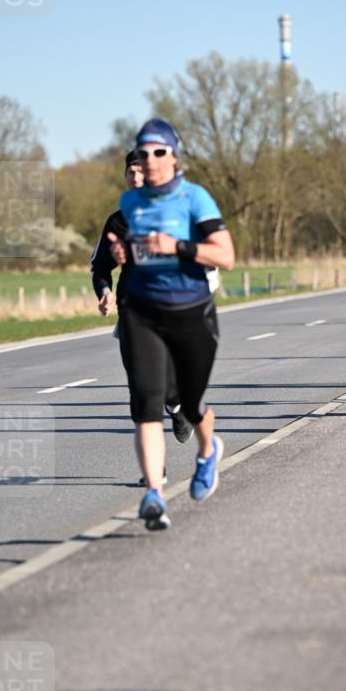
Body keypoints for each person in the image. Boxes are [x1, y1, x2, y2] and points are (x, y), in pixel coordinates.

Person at [105, 118, 235, 529]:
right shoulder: (130, 204)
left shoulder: (195, 198)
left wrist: (177, 246)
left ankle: (207, 450)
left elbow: (225, 256)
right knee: (147, 403)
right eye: (143, 153)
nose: (150, 159)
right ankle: (154, 495)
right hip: (141, 311)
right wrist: (124, 255)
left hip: (190, 310)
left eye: (158, 152)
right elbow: (136, 250)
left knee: (191, 404)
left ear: (174, 156)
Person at [91, 150, 194, 490]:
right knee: (141, 391)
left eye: (141, 172)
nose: (136, 178)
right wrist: (104, 291)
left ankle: (177, 406)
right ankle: (156, 470)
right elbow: (100, 266)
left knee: (165, 384)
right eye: (130, 173)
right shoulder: (117, 222)